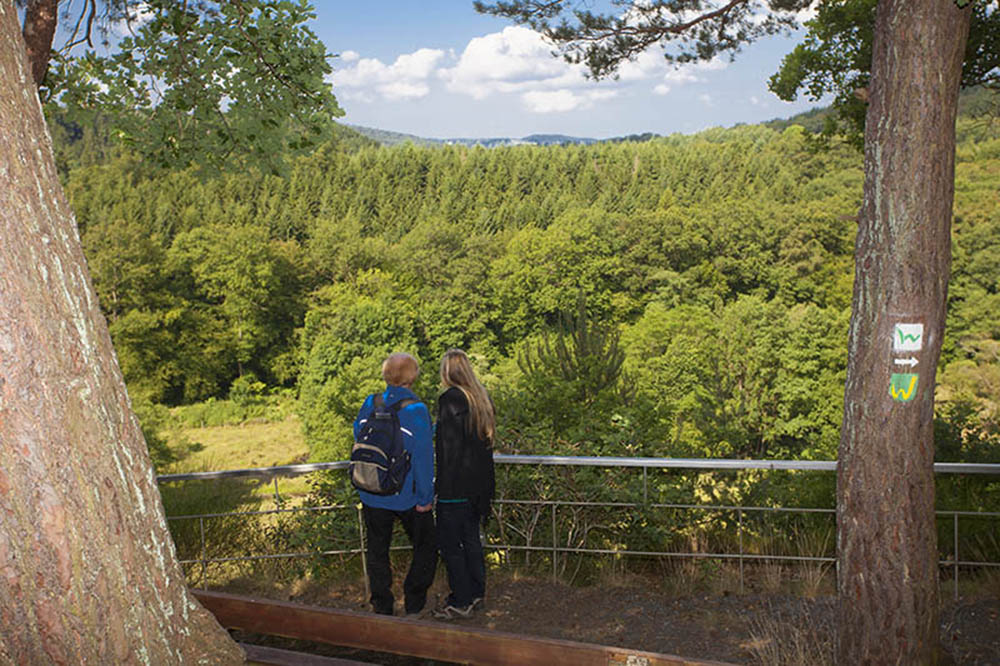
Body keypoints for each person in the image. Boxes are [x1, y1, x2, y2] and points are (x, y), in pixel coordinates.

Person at [353, 352, 436, 616]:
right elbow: (423, 457)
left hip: (372, 491)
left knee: (377, 549)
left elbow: (359, 436)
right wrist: (425, 498)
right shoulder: (416, 410)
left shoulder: (371, 402)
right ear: (412, 376)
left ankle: (383, 605)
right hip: (407, 495)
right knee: (426, 546)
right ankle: (414, 601)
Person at [432, 349, 496, 619]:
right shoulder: (481, 400)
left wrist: (439, 488)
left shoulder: (449, 400)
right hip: (478, 487)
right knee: (471, 541)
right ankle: (476, 591)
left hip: (454, 487)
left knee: (450, 545)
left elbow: (448, 450)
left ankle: (461, 598)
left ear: (447, 372)